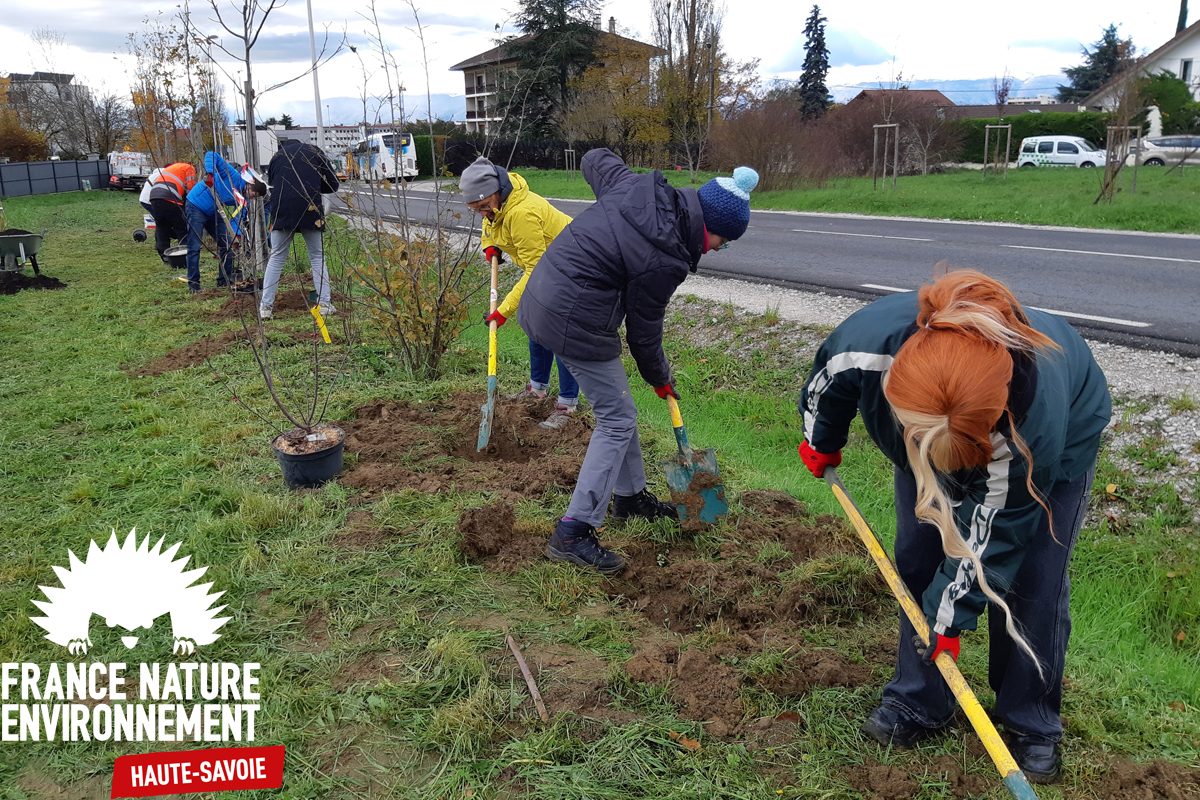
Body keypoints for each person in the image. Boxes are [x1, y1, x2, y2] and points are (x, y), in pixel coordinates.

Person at [795, 270, 1110, 783]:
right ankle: (920, 699)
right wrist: (823, 439)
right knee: (918, 557)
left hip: (1052, 444)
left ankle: (1031, 722)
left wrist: (948, 619)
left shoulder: (1030, 423)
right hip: (934, 430)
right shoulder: (867, 345)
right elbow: (825, 385)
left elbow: (990, 540)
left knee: (1034, 583)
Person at [518, 147, 759, 573]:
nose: (721, 249)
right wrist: (660, 376)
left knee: (620, 410)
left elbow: (595, 159)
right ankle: (573, 532)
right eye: (725, 240)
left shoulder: (638, 189)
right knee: (616, 419)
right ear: (712, 227)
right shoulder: (666, 255)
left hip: (545, 296)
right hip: (573, 317)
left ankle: (630, 500)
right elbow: (644, 330)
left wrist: (612, 178)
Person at [461, 155, 579, 429]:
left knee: (558, 334)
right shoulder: (497, 204)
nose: (482, 213)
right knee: (535, 324)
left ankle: (567, 405)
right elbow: (490, 224)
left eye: (483, 206)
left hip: (572, 270)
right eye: (475, 209)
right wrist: (489, 245)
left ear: (495, 192)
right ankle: (537, 390)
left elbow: (536, 269)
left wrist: (502, 311)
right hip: (548, 268)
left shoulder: (522, 212)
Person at [257, 139, 340, 319]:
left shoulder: (276, 157)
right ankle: (324, 304)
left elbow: (273, 185)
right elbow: (333, 184)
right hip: (310, 208)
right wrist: (316, 186)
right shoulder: (314, 152)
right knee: (317, 257)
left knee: (277, 257)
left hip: (281, 209)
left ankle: (265, 308)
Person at [184, 152, 247, 294]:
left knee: (228, 244)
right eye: (253, 193)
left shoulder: (244, 198)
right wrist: (210, 174)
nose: (252, 196)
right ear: (250, 185)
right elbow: (211, 154)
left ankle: (223, 280)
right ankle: (194, 284)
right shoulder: (233, 177)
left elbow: (237, 217)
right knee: (194, 246)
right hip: (195, 206)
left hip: (214, 211)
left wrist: (236, 235)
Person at [139, 162, 197, 262]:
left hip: (154, 197)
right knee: (181, 227)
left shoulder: (171, 169)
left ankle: (165, 257)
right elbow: (191, 188)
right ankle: (185, 256)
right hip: (169, 198)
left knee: (162, 228)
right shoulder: (189, 167)